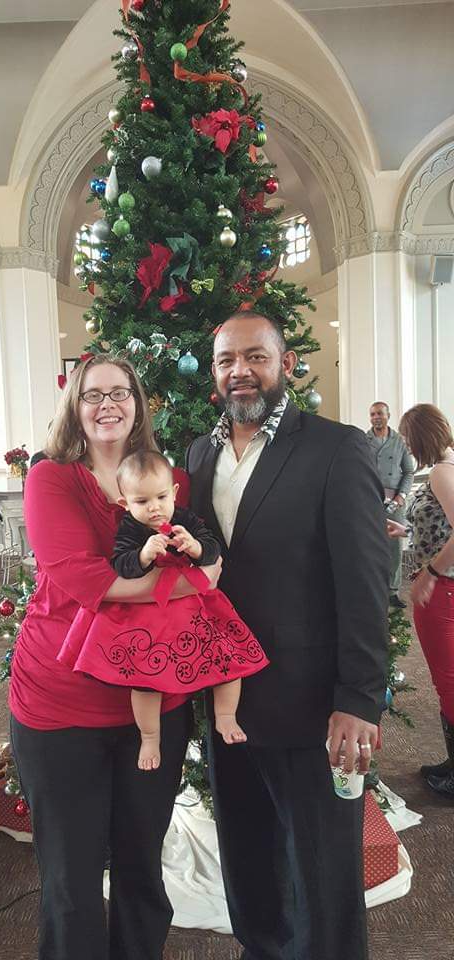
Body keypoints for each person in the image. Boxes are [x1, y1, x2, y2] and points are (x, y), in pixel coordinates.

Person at [186, 311, 390, 960]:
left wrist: (359, 697)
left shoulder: (335, 447)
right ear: (213, 373)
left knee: (323, 876)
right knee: (248, 862)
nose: (239, 370)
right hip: (227, 703)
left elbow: (364, 580)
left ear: (286, 365)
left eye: (255, 356)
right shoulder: (199, 453)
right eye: (225, 360)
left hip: (308, 707)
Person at [9, 355, 222, 960]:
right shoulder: (52, 478)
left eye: (120, 392)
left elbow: (211, 548)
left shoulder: (168, 476)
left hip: (153, 703)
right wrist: (194, 582)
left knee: (140, 867)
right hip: (60, 700)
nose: (107, 404)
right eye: (92, 394)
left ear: (137, 403)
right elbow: (85, 582)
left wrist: (205, 565)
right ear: (74, 406)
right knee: (72, 878)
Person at [58, 449, 269, 770]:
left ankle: (226, 717)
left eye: (160, 497)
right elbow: (121, 565)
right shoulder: (130, 528)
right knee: (144, 681)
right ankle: (149, 736)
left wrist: (195, 547)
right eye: (142, 502)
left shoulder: (183, 518)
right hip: (150, 616)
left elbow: (212, 549)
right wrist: (143, 555)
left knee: (230, 657)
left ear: (173, 494)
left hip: (197, 608)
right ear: (125, 504)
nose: (154, 508)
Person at [387, 403, 454, 798]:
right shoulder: (445, 468)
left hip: (443, 590)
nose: (407, 446)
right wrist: (405, 529)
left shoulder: (444, 473)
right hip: (443, 586)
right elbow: (440, 527)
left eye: (409, 438)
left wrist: (430, 574)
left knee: (448, 680)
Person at [366, 401, 414, 608]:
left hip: (395, 501)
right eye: (372, 414)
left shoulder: (399, 441)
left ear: (388, 415)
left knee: (394, 547)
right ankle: (372, 590)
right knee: (369, 544)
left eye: (379, 414)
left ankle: (392, 591)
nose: (376, 417)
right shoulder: (362, 439)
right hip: (370, 499)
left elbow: (409, 471)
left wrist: (401, 495)